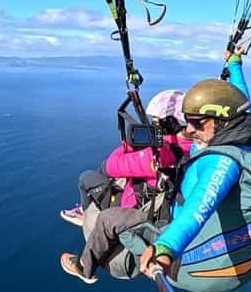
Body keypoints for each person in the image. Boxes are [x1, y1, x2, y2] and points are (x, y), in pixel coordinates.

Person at [60, 48, 251, 292]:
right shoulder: (246, 130)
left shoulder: (222, 163)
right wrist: (234, 63)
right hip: (210, 236)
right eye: (186, 121)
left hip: (174, 229)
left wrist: (166, 248)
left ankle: (85, 268)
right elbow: (241, 98)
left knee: (110, 218)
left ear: (221, 122)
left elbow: (198, 208)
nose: (189, 130)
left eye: (196, 123)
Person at [59, 90, 193, 227]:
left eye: (155, 123)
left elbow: (111, 166)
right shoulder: (192, 148)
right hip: (159, 199)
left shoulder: (159, 155)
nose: (153, 127)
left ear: (169, 124)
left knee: (86, 177)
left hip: (134, 209)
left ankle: (85, 213)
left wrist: (131, 145)